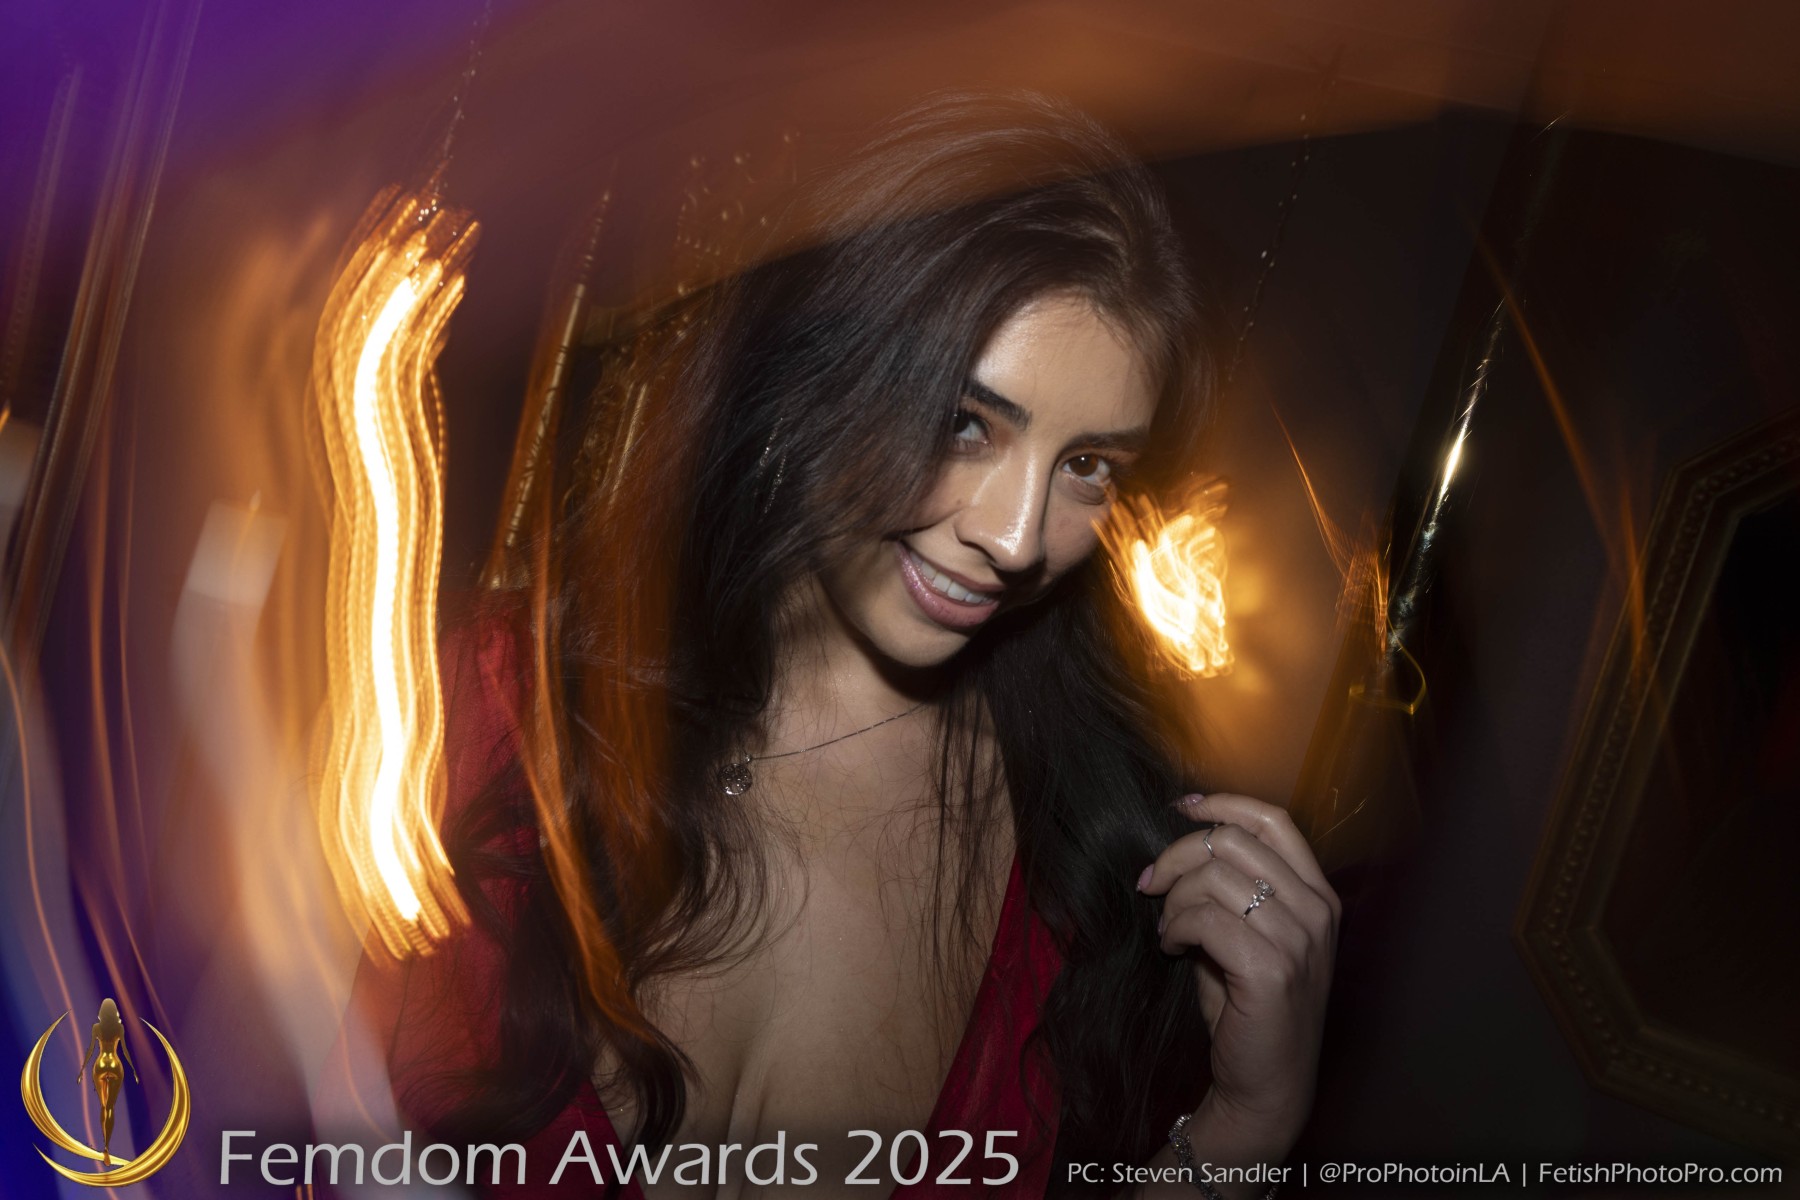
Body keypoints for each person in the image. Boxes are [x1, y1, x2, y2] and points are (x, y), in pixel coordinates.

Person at [349, 91, 1337, 1199]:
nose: (1017, 539)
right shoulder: (476, 711)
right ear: (815, 367)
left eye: (1087, 466)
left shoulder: (1081, 870)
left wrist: (1246, 1126)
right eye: (966, 423)